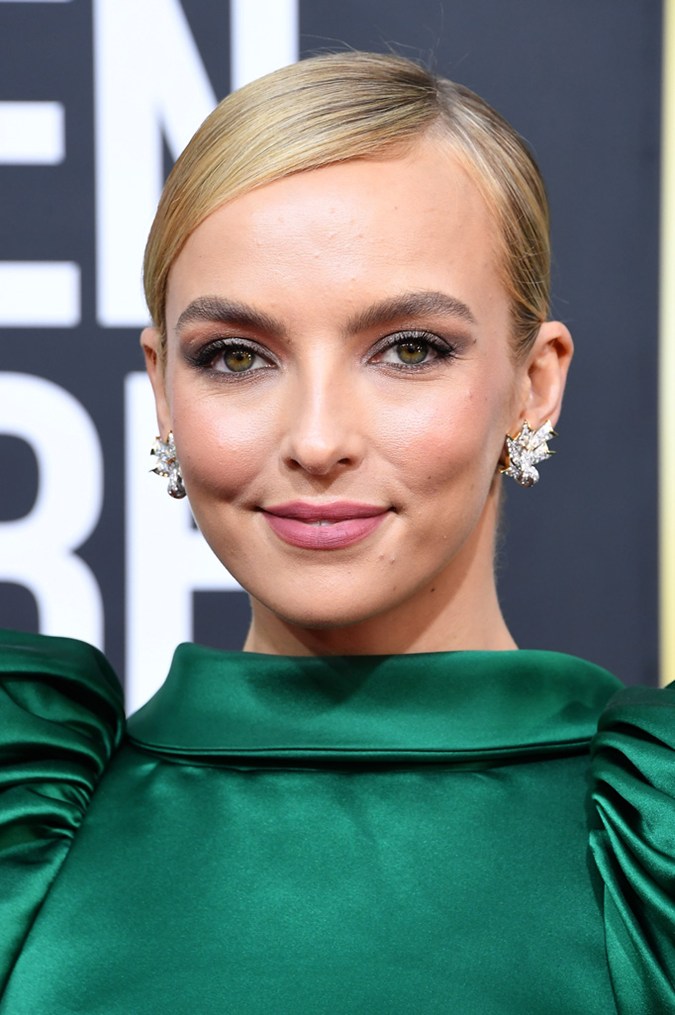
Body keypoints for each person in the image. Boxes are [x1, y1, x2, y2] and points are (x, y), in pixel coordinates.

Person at [0, 51, 673, 1015]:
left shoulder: (655, 839)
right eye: (236, 357)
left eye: (410, 349)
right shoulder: (19, 815)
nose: (316, 441)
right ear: (162, 389)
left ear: (534, 383)